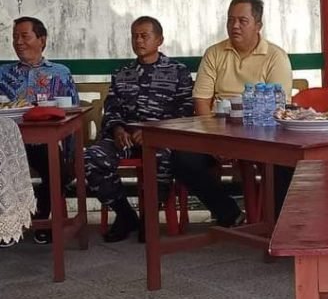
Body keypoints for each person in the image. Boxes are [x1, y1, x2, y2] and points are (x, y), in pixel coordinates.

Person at [172, 0, 293, 224]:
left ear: (258, 25)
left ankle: (274, 226)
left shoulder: (275, 56)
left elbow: (276, 108)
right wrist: (218, 140)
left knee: (284, 162)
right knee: (182, 159)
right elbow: (201, 101)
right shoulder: (214, 53)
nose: (234, 26)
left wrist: (241, 143)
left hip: (261, 136)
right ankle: (229, 213)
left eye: (242, 21)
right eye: (230, 20)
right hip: (217, 131)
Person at [84, 17, 194, 242]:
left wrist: (155, 133)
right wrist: (117, 129)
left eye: (145, 36)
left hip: (160, 138)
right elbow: (111, 107)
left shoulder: (178, 71)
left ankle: (149, 217)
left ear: (159, 40)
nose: (139, 40)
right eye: (135, 36)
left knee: (163, 157)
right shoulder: (122, 72)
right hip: (124, 138)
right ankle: (125, 214)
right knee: (91, 158)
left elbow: (185, 110)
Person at [0, 16, 79, 244]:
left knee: (57, 168)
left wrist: (72, 154)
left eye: (25, 36)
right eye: (15, 37)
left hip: (44, 143)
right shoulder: (3, 73)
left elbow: (73, 113)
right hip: (9, 143)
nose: (18, 42)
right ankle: (8, 226)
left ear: (42, 40)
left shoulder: (60, 73)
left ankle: (40, 217)